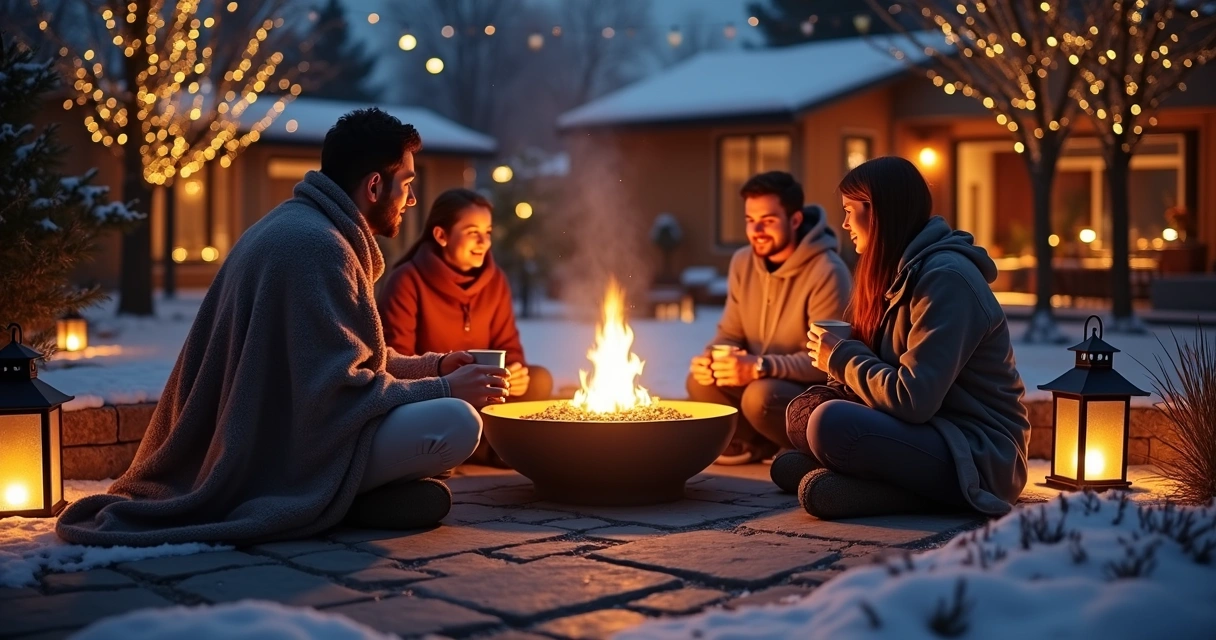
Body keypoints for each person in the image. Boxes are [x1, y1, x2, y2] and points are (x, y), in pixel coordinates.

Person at [56, 109, 510, 547]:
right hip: (283, 453)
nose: (411, 201)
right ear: (375, 185)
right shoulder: (320, 249)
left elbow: (353, 359)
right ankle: (330, 499)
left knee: (442, 426)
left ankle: (350, 497)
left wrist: (437, 366)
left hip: (282, 433)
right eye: (406, 185)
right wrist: (446, 390)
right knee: (457, 423)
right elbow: (340, 393)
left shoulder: (300, 228)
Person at [771, 156, 1030, 521]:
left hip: (976, 452)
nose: (843, 223)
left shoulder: (947, 280)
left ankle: (899, 494)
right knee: (803, 416)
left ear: (877, 212)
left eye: (849, 210)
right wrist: (837, 372)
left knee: (830, 424)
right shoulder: (892, 272)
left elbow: (913, 399)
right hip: (926, 431)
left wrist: (842, 358)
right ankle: (874, 483)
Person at [378, 188, 553, 466]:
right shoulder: (407, 281)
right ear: (441, 236)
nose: (483, 241)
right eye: (473, 231)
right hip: (440, 395)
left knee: (540, 379)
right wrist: (450, 380)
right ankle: (486, 448)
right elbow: (395, 362)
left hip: (488, 394)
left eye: (488, 232)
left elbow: (509, 346)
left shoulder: (495, 282)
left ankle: (483, 446)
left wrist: (516, 373)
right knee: (449, 412)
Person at [687, 171, 852, 464]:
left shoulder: (827, 270)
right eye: (750, 220)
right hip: (758, 378)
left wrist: (761, 367)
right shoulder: (742, 262)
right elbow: (730, 332)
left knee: (760, 396)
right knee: (699, 382)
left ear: (795, 220)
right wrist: (712, 358)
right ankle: (754, 444)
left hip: (809, 390)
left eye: (769, 220)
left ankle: (800, 446)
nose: (757, 230)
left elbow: (828, 362)